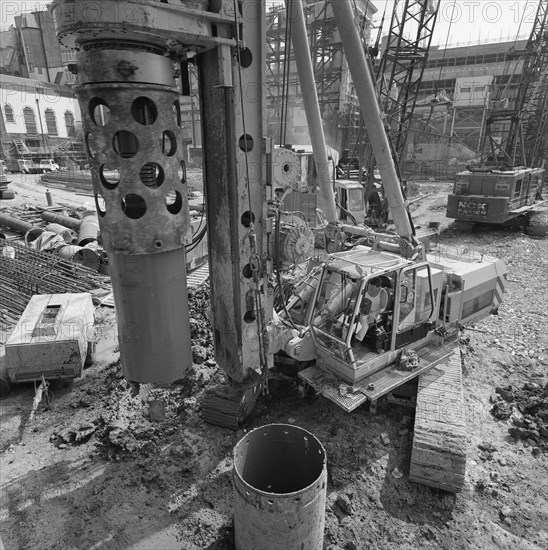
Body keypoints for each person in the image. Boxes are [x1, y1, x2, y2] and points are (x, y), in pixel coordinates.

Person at [354, 277, 388, 342]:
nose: (370, 289)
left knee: (364, 320)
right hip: (363, 309)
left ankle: (357, 340)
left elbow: (383, 308)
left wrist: (374, 313)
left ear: (378, 288)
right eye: (369, 286)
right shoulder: (366, 287)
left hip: (375, 313)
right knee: (351, 315)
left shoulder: (382, 293)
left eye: (372, 288)